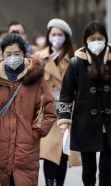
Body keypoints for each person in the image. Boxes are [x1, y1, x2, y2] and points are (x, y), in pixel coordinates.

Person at [0, 30, 57, 186]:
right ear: (2, 54)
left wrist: (35, 132)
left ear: (24, 53)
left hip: (26, 149)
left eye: (17, 53)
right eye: (8, 54)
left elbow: (47, 108)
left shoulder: (35, 79)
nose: (13, 57)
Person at [58, 21, 111, 186]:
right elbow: (66, 95)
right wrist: (64, 121)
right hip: (85, 123)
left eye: (100, 38)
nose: (96, 42)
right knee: (89, 168)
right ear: (86, 40)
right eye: (92, 38)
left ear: (106, 39)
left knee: (106, 166)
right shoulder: (76, 63)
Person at [34, 18, 81, 186]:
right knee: (49, 151)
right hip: (46, 110)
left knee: (62, 151)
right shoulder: (38, 57)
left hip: (68, 111)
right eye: (53, 34)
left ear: (66, 37)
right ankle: (49, 183)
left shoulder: (75, 58)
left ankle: (59, 183)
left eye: (60, 35)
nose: (56, 38)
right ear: (48, 35)